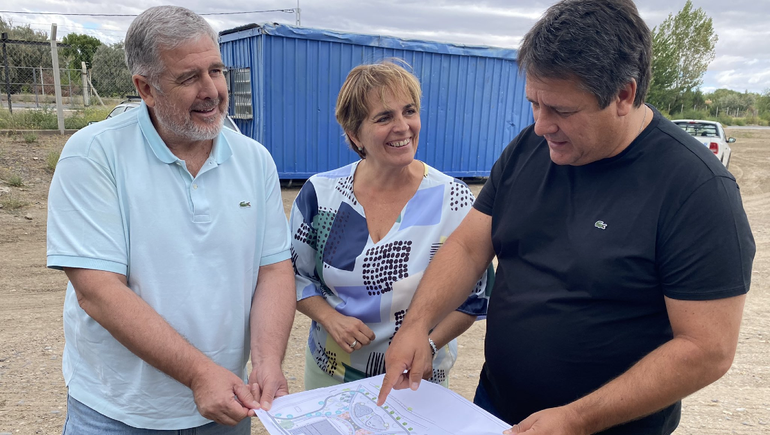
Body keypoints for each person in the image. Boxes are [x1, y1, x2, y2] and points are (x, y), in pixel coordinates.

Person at [377, 1, 755, 434]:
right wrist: (417, 326)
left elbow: (707, 349)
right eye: (534, 104)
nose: (541, 125)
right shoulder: (529, 149)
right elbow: (467, 246)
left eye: (561, 110)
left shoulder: (696, 189)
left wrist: (576, 419)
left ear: (624, 95)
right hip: (495, 408)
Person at [46, 6, 295, 434]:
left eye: (216, 71)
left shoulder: (255, 161)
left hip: (227, 405)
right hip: (118, 413)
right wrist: (199, 374)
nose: (212, 91)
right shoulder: (94, 155)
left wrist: (268, 361)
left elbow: (273, 268)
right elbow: (98, 291)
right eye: (189, 78)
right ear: (146, 88)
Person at [289, 60, 491, 390]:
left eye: (409, 111)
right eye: (384, 117)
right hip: (332, 373)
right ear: (355, 135)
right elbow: (295, 276)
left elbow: (474, 295)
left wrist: (428, 344)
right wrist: (329, 318)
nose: (403, 127)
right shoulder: (321, 195)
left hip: (416, 380)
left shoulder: (453, 198)